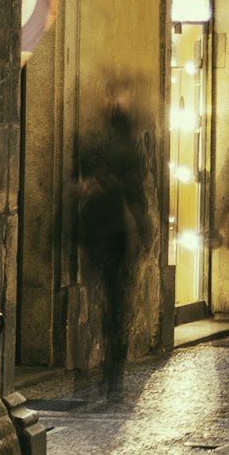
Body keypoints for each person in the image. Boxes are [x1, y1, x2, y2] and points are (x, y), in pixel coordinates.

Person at [71, 88, 152, 399]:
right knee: (105, 303)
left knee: (112, 305)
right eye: (111, 95)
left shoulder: (125, 140)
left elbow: (134, 190)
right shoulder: (99, 137)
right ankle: (104, 374)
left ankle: (110, 372)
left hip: (111, 234)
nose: (113, 100)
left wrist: (144, 228)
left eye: (118, 95)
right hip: (98, 232)